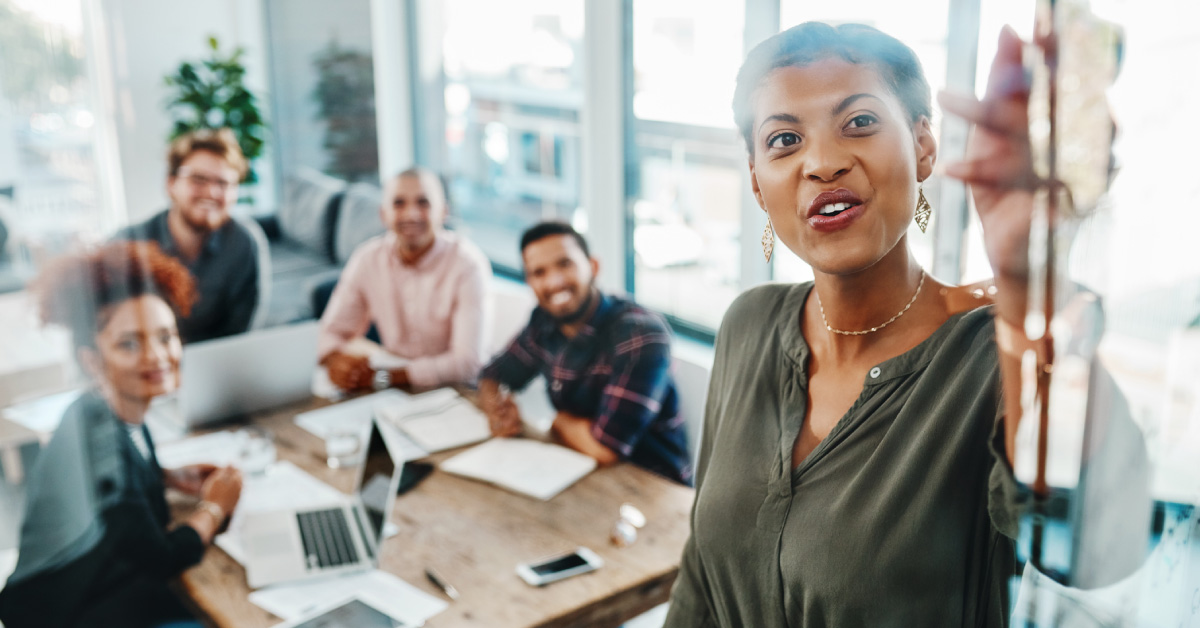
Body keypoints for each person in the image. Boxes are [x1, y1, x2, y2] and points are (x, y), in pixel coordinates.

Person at [662, 22, 1145, 627]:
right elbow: (701, 584)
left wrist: (1028, 281)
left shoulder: (993, 353)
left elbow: (1100, 552)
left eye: (859, 122)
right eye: (784, 139)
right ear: (758, 181)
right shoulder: (749, 324)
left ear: (923, 145)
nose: (823, 162)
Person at [0, 241, 243, 628]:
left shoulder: (99, 410)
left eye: (166, 336)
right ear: (92, 361)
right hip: (74, 614)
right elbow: (162, 556)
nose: (157, 356)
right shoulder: (104, 448)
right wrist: (214, 508)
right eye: (130, 343)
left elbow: (116, 490)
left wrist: (168, 477)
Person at [479, 222, 691, 485]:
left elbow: (605, 449)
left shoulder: (640, 334)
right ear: (530, 282)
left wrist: (559, 422)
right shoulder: (544, 320)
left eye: (565, 264)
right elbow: (492, 375)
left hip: (650, 486)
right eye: (539, 272)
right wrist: (499, 409)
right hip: (576, 470)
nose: (554, 282)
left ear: (593, 267)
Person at [318, 167, 492, 391]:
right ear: (383, 214)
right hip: (396, 389)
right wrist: (337, 361)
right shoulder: (367, 259)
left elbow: (468, 363)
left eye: (423, 203)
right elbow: (331, 331)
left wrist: (384, 377)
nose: (411, 214)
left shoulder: (468, 264)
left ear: (444, 212)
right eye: (399, 203)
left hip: (458, 391)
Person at [113, 128, 261, 343]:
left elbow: (239, 334)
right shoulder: (128, 245)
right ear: (171, 184)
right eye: (198, 180)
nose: (211, 192)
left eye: (223, 183)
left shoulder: (243, 244)